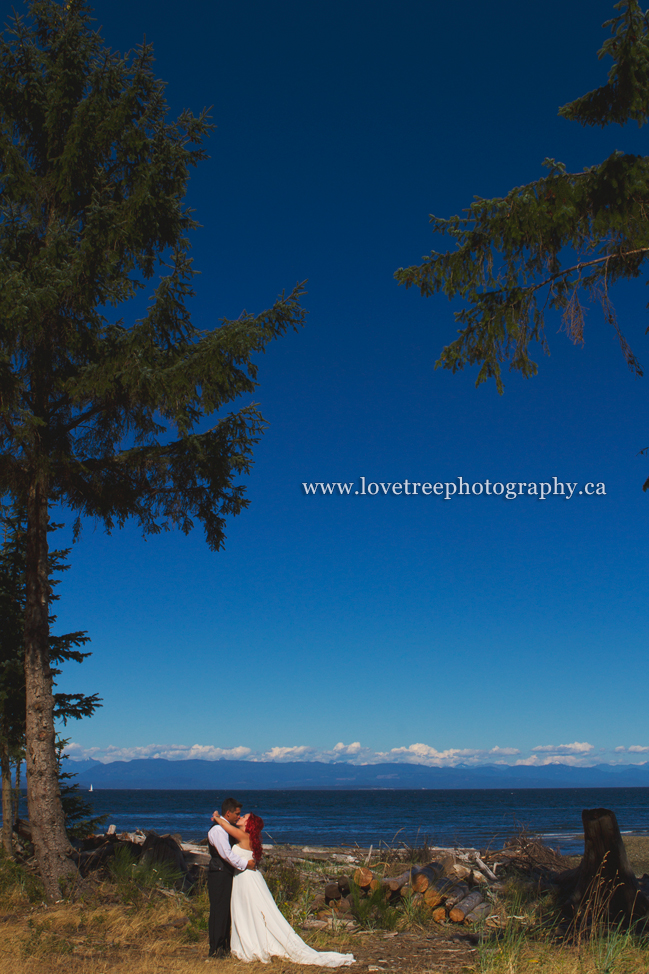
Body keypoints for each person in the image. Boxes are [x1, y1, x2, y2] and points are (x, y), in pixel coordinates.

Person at [212, 809, 355, 967]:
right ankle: (250, 941)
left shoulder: (244, 836)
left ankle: (252, 943)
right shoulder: (247, 837)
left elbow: (225, 826)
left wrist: (217, 817)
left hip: (246, 879)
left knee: (250, 911)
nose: (240, 817)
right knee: (249, 912)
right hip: (245, 878)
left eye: (244, 817)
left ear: (248, 825)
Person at [207, 797, 257, 958]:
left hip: (226, 873)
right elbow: (226, 855)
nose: (238, 817)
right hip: (219, 873)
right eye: (237, 814)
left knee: (226, 911)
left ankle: (225, 945)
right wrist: (245, 864)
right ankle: (216, 948)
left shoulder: (226, 827)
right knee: (219, 910)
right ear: (228, 814)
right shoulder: (218, 831)